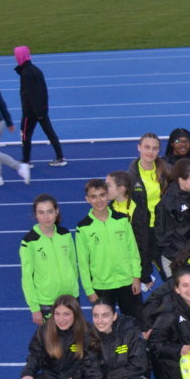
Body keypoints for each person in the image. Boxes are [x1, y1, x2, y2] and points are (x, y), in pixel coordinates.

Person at [75, 179, 142, 322]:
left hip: (127, 281)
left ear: (108, 196)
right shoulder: (83, 227)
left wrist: (136, 276)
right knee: (105, 324)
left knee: (134, 322)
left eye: (102, 195)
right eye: (94, 196)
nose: (99, 200)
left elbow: (133, 250)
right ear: (87, 199)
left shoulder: (122, 220)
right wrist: (89, 290)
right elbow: (83, 262)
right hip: (101, 285)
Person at [86, 300, 150, 379]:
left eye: (105, 315)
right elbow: (93, 371)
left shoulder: (130, 330)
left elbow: (140, 363)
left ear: (114, 316)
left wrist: (114, 375)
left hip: (132, 374)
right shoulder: (89, 337)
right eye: (96, 316)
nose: (100, 321)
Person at [19, 194, 79, 325]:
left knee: (74, 335)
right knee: (52, 337)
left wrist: (73, 287)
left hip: (70, 296)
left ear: (56, 212)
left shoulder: (65, 234)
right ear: (36, 215)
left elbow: (73, 263)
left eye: (50, 212)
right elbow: (27, 277)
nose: (46, 217)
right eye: (41, 213)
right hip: (47, 300)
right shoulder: (29, 241)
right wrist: (34, 308)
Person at [12, 46, 66, 168]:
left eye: (16, 55)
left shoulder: (26, 74)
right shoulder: (35, 70)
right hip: (41, 109)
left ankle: (26, 161)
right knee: (50, 133)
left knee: (25, 134)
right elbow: (43, 91)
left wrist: (38, 113)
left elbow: (32, 94)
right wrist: (42, 110)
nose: (15, 57)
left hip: (31, 112)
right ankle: (60, 157)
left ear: (20, 56)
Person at [153, 158, 190, 276]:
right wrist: (184, 255)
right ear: (181, 180)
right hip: (176, 259)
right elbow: (163, 238)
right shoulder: (168, 203)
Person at [127, 132, 166, 282]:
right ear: (139, 147)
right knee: (143, 275)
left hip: (162, 228)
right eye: (147, 147)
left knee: (169, 271)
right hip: (141, 230)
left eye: (155, 148)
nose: (150, 152)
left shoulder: (166, 172)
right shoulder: (130, 177)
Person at [106, 170, 152, 292]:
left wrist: (144, 274)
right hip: (114, 269)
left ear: (121, 189)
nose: (104, 189)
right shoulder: (109, 209)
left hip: (132, 269)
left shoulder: (137, 210)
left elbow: (143, 244)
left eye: (108, 185)